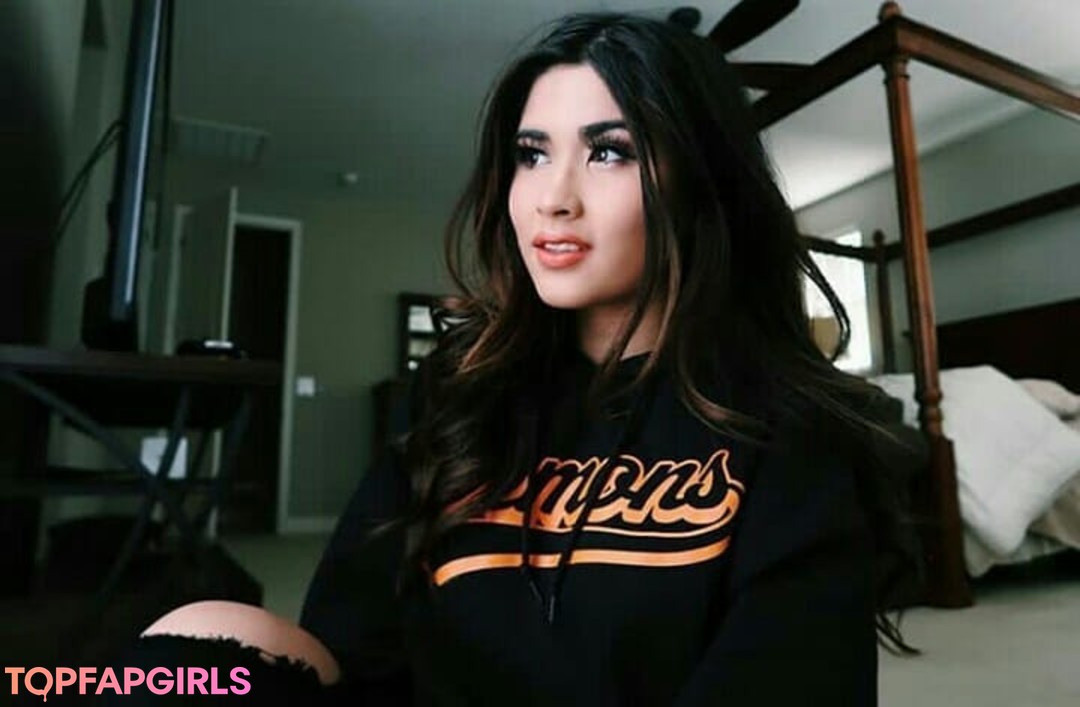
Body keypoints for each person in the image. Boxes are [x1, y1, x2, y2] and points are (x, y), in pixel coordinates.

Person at [114, 11, 916, 706]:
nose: (551, 197)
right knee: (194, 638)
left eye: (610, 152)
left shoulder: (790, 431)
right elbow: (349, 651)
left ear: (698, 184)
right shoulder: (455, 403)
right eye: (532, 154)